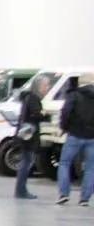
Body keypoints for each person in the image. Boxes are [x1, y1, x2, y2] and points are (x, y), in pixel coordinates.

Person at [58, 73, 94, 207]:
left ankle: (64, 194)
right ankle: (85, 199)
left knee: (64, 163)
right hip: (92, 137)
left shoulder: (74, 95)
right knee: (91, 168)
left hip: (74, 135)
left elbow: (66, 112)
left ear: (80, 83)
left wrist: (64, 127)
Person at [14, 73, 51, 199]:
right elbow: (37, 114)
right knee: (26, 163)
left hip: (25, 135)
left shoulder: (28, 98)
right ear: (39, 86)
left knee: (25, 162)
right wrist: (45, 114)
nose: (47, 88)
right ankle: (21, 191)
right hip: (29, 136)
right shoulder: (34, 99)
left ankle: (21, 190)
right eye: (46, 85)